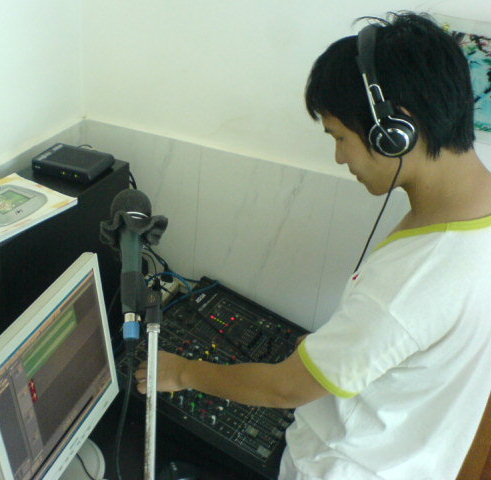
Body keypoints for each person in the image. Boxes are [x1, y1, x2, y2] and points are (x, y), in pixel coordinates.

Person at [134, 12, 491, 480]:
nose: (340, 157)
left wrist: (181, 372)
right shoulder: (471, 215)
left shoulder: (420, 274)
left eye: (340, 137)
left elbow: (286, 389)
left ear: (394, 131)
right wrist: (342, 350)